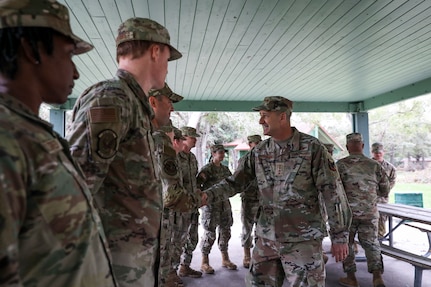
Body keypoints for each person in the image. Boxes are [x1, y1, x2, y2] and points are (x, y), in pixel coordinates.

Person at [0, 1, 117, 286]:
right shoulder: (8, 137)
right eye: (69, 54)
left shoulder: (29, 131)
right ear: (31, 49)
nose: (76, 72)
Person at [66, 17, 182, 287]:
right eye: (167, 57)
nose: (167, 67)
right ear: (155, 51)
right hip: (112, 263)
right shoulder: (113, 98)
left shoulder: (134, 104)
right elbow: (75, 186)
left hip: (132, 259)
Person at [201, 96, 351, 287]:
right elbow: (234, 182)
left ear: (282, 117)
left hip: (302, 240)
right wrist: (206, 196)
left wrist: (339, 236)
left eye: (265, 116)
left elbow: (333, 192)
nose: (260, 121)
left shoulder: (312, 148)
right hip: (267, 239)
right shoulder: (259, 152)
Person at [148, 84, 197, 287]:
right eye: (169, 102)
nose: (172, 109)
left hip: (170, 211)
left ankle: (169, 274)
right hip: (163, 213)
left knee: (172, 245)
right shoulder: (158, 143)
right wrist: (199, 200)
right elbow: (170, 193)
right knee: (165, 247)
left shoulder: (153, 141)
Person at [336, 133, 390, 287]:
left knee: (347, 244)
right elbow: (385, 189)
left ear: (347, 147)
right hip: (369, 212)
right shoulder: (374, 165)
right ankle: (377, 277)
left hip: (348, 214)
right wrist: (370, 197)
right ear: (363, 146)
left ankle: (351, 278)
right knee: (372, 243)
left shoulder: (340, 165)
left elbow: (334, 190)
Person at [198, 144, 238, 274]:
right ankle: (204, 262)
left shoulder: (225, 170)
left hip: (224, 204)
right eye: (219, 152)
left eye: (223, 153)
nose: (222, 155)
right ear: (213, 153)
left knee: (226, 231)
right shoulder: (207, 169)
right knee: (210, 233)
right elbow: (198, 185)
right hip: (211, 206)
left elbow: (232, 184)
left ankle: (225, 259)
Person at [178, 127, 205, 279]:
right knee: (178, 238)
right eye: (192, 137)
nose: (195, 140)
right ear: (184, 138)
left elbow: (193, 181)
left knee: (192, 237)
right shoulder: (176, 157)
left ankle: (185, 266)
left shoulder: (192, 158)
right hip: (180, 205)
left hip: (193, 205)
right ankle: (169, 272)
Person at [240, 134, 262, 268]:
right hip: (248, 199)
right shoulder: (244, 160)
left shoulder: (264, 159)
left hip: (262, 199)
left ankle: (259, 255)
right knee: (247, 228)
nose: (258, 145)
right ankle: (246, 255)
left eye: (260, 142)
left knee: (261, 229)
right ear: (250, 145)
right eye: (255, 143)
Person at [371, 142, 397, 239]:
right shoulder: (366, 165)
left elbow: (392, 181)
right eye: (375, 152)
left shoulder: (390, 168)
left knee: (382, 219)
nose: (378, 154)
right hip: (368, 198)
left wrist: (383, 190)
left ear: (383, 152)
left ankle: (380, 239)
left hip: (382, 199)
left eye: (379, 152)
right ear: (372, 152)